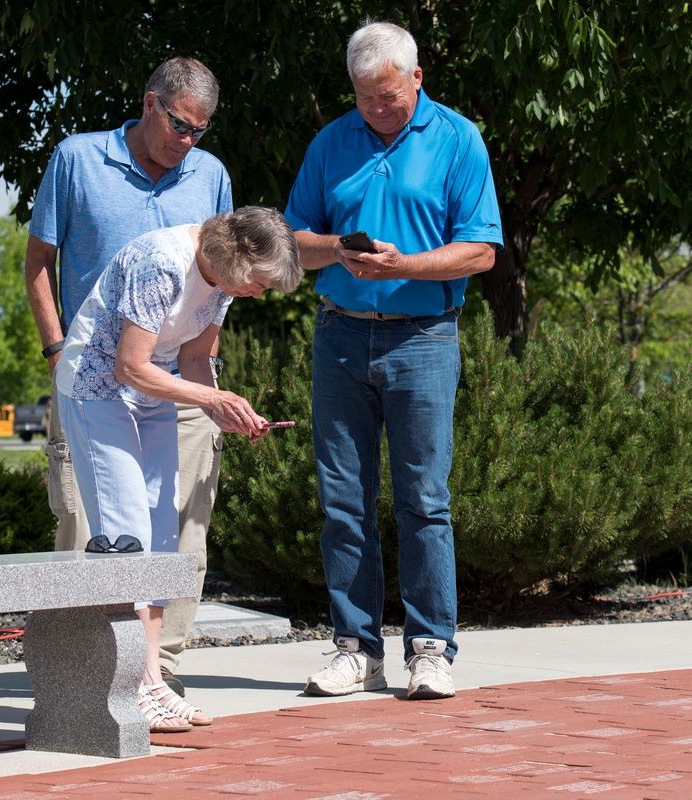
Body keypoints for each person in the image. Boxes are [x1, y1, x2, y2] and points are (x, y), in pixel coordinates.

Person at [284, 20, 503, 700]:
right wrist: (335, 252)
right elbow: (293, 238)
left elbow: (482, 249)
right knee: (343, 502)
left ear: (416, 77)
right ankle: (355, 649)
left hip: (424, 338)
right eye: (364, 97)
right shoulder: (330, 142)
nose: (377, 110)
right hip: (340, 336)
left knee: (424, 502)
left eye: (388, 96)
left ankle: (431, 649)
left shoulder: (459, 139)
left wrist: (403, 266)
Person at [25, 56, 232, 697]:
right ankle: (83, 679)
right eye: (178, 124)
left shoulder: (210, 174)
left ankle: (155, 675)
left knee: (177, 529)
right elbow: (38, 263)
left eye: (200, 130)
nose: (187, 141)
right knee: (93, 526)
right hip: (95, 381)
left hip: (181, 380)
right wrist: (56, 346)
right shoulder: (77, 159)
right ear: (149, 104)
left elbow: (221, 272)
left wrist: (208, 375)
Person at [55, 206, 302, 731]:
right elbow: (130, 365)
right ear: (238, 258)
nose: (261, 293)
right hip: (99, 390)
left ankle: (151, 680)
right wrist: (215, 399)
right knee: (126, 537)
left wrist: (228, 409)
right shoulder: (160, 261)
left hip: (151, 391)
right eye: (261, 282)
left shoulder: (225, 283)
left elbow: (192, 363)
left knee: (163, 539)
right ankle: (126, 689)